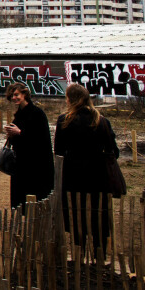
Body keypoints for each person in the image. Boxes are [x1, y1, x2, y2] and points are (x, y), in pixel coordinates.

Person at [54, 83, 119, 249]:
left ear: (71, 100)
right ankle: (100, 253)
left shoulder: (64, 121)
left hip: (73, 176)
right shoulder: (102, 121)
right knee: (98, 216)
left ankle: (79, 252)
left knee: (77, 215)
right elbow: (114, 151)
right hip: (99, 178)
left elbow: (58, 150)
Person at [3, 82, 54, 208]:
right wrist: (11, 135)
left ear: (25, 94)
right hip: (21, 165)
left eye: (16, 95)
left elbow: (42, 140)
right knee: (22, 200)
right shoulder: (18, 116)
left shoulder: (37, 114)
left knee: (35, 199)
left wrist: (20, 132)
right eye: (12, 96)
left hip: (36, 166)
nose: (14, 98)